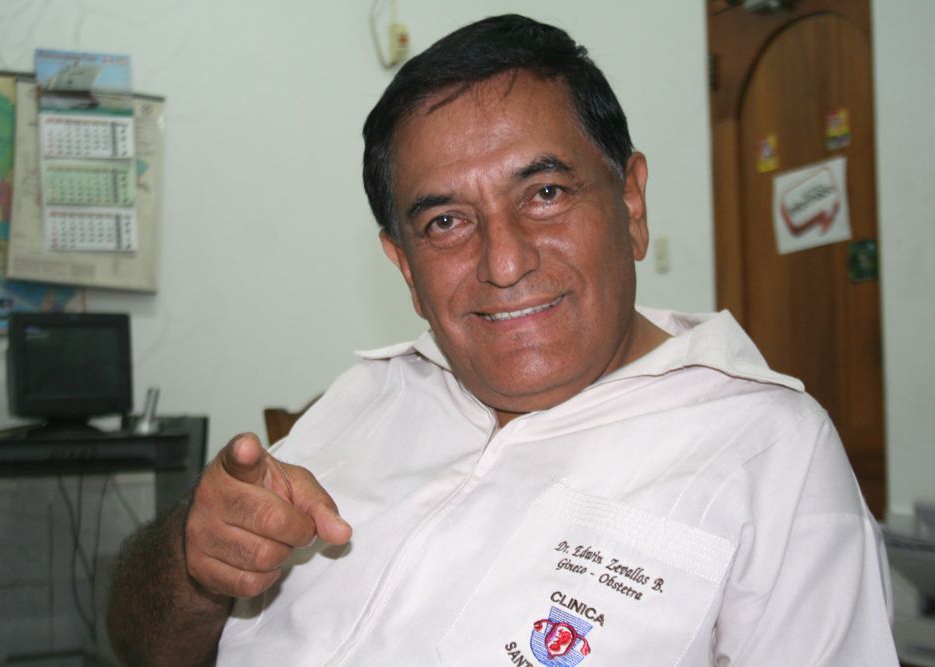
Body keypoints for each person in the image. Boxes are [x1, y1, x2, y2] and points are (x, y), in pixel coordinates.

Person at [107, 14, 898, 666]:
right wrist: (193, 561)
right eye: (446, 222)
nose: (506, 261)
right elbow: (144, 644)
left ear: (630, 203)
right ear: (405, 267)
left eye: (545, 192)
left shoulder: (769, 452)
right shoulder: (363, 401)